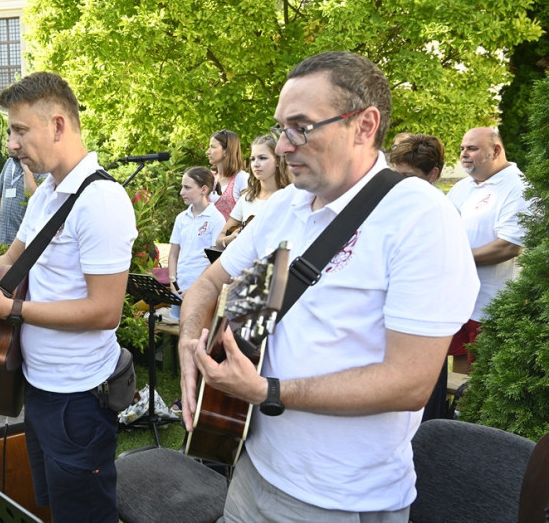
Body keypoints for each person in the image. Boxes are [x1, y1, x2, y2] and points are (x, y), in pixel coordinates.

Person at [178, 51, 479, 522]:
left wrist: (268, 390)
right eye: (281, 128)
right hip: (248, 462)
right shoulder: (285, 206)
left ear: (364, 126)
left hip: (338, 498)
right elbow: (210, 284)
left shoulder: (421, 217)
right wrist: (190, 344)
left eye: (300, 127)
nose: (283, 146)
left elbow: (411, 383)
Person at [0, 71, 137, 523]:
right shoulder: (47, 194)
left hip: (78, 399)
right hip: (39, 387)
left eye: (19, 130)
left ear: (57, 125)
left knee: (85, 515)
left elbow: (105, 311)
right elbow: (10, 261)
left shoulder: (102, 201)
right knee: (58, 507)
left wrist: (9, 309)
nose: (11, 144)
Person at [446, 127, 530, 374]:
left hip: (493, 306)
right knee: (459, 375)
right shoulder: (462, 187)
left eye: (472, 148)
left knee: (485, 379)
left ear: (495, 150)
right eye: (462, 148)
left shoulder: (518, 187)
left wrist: (455, 260)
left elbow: (509, 246)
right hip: (460, 300)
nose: (464, 154)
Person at [386, 133, 449, 421]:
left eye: (408, 177)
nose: (399, 184)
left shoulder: (438, 214)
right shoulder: (392, 205)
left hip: (423, 328)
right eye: (395, 175)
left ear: (433, 175)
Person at [167, 166, 226, 320]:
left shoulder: (216, 219)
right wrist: (173, 283)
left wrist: (195, 288)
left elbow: (215, 259)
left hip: (202, 289)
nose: (181, 192)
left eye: (187, 187)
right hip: (180, 287)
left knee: (198, 328)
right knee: (180, 328)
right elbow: (173, 254)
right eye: (182, 187)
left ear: (203, 189)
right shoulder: (181, 218)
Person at [215, 135, 292, 249]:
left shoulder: (291, 198)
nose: (255, 164)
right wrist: (229, 240)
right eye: (252, 159)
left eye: (262, 158)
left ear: (278, 161)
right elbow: (219, 240)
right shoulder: (247, 198)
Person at [0, 134, 47, 246]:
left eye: (9, 141)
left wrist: (26, 170)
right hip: (4, 238)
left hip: (24, 242)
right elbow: (0, 194)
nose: (6, 145)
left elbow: (36, 200)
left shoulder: (40, 169)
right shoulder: (8, 163)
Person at [206, 129, 248, 219]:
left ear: (226, 150)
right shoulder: (209, 177)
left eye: (213, 147)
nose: (208, 152)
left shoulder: (242, 178)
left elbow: (247, 214)